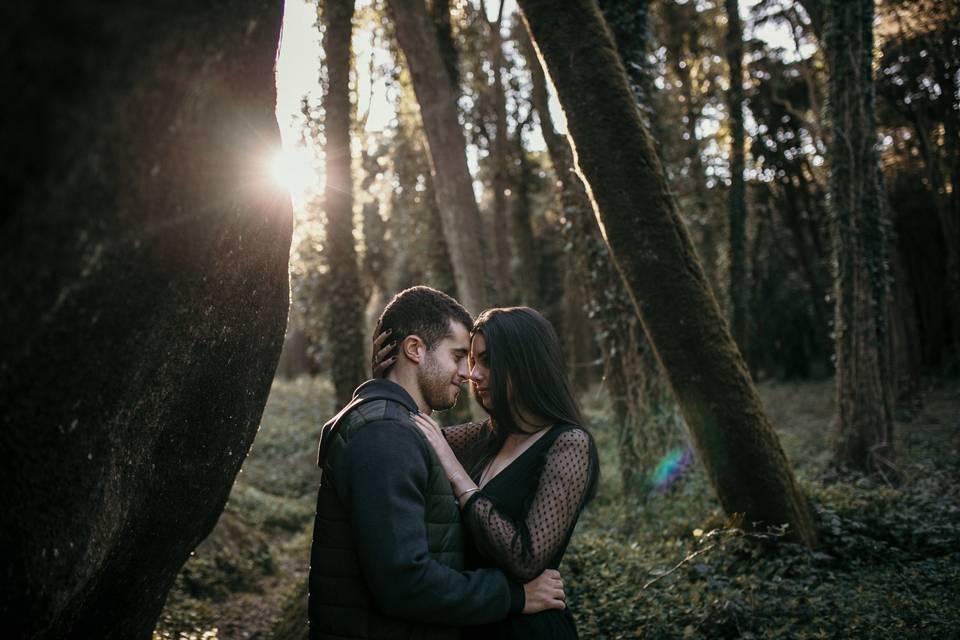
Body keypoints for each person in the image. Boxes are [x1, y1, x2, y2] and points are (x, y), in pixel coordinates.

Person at [308, 287, 565, 640]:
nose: (468, 373)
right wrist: (514, 595)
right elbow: (404, 581)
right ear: (414, 349)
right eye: (459, 355)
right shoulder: (386, 434)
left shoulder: (394, 425)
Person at [375, 306, 600, 639]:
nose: (474, 375)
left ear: (525, 362)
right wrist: (391, 378)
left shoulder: (568, 444)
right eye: (471, 361)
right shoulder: (482, 437)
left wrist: (459, 478)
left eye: (487, 361)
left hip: (529, 631)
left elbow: (526, 558)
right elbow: (403, 434)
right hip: (471, 620)